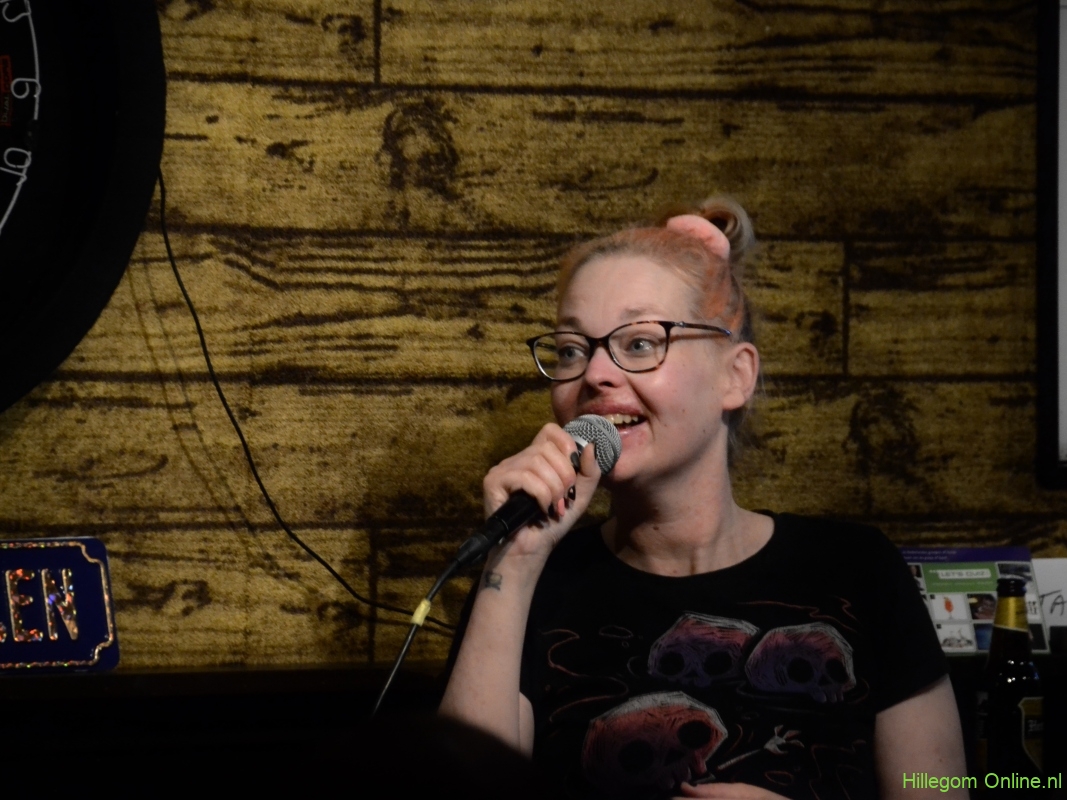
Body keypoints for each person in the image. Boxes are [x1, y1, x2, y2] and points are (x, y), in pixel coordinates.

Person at [440, 198, 968, 799]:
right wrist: (515, 561)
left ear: (735, 376)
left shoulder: (858, 568)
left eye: (640, 343)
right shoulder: (534, 581)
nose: (594, 374)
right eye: (571, 349)